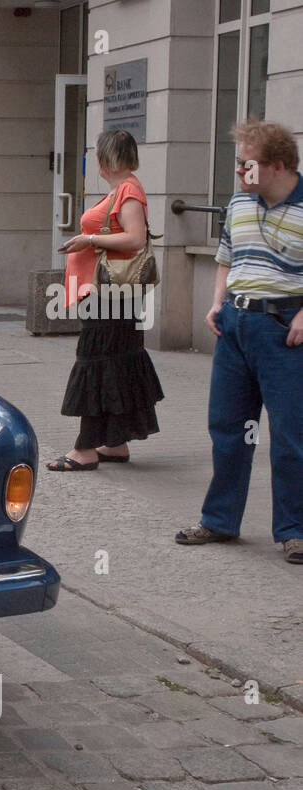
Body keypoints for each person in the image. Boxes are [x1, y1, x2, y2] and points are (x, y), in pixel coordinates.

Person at [175, 119, 303, 565]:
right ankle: (220, 520)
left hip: (284, 328)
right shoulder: (239, 203)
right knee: (228, 428)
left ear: (277, 166)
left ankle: (294, 530)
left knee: (290, 435)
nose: (238, 172)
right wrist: (216, 304)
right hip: (235, 324)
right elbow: (226, 258)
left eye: (246, 164)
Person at [47, 129, 163, 472]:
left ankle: (85, 449)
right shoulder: (122, 190)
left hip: (109, 295)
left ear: (105, 158)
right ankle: (114, 442)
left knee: (94, 362)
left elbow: (135, 238)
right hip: (110, 295)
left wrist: (89, 239)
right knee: (113, 362)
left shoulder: (128, 190)